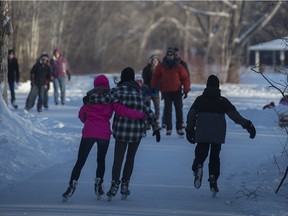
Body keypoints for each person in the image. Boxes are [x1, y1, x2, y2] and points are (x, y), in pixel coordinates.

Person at [62, 74, 147, 201]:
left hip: (88, 133)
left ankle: (72, 184)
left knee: (80, 161)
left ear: (95, 85)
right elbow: (123, 111)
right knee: (100, 161)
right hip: (103, 135)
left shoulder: (89, 98)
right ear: (107, 85)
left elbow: (81, 115)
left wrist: (89, 121)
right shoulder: (110, 100)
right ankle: (98, 184)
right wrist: (141, 115)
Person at [88, 67, 161, 200]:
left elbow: (104, 99)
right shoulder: (140, 93)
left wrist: (90, 97)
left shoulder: (117, 91)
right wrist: (156, 128)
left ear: (122, 78)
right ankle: (125, 185)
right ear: (133, 78)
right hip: (137, 132)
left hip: (121, 131)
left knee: (118, 158)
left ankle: (115, 184)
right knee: (130, 158)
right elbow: (148, 112)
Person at [185, 75, 256, 196]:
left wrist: (189, 130)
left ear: (207, 86)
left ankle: (198, 166)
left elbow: (190, 116)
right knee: (214, 157)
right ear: (218, 86)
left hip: (202, 132)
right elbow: (236, 117)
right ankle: (213, 178)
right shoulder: (222, 101)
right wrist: (248, 125)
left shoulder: (199, 100)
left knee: (201, 153)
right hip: (217, 134)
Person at [151, 47, 190, 136]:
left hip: (177, 91)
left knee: (179, 110)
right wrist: (153, 87)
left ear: (174, 56)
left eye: (171, 55)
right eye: (168, 55)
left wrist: (186, 89)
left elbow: (185, 78)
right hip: (166, 91)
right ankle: (169, 128)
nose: (170, 56)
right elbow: (155, 76)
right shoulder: (162, 66)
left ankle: (179, 128)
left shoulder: (178, 66)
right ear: (166, 55)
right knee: (168, 111)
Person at [142, 55, 161, 129]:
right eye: (153, 60)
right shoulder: (146, 69)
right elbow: (145, 80)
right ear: (151, 61)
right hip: (148, 90)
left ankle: (156, 122)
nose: (155, 61)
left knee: (157, 107)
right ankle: (147, 123)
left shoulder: (160, 69)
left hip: (156, 91)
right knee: (147, 107)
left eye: (156, 60)